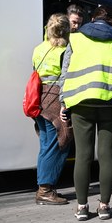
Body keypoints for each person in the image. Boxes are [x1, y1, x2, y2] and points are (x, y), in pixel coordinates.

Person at [59, 5, 112, 221]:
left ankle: (82, 207)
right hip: (109, 103)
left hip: (81, 102)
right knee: (106, 155)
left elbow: (66, 71)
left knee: (83, 155)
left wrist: (64, 102)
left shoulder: (76, 38)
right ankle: (104, 206)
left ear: (92, 19)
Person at [32, 13, 74, 205]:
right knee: (59, 143)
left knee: (46, 144)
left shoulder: (39, 48)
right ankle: (45, 190)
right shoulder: (66, 50)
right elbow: (67, 76)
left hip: (39, 98)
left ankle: (44, 187)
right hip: (55, 98)